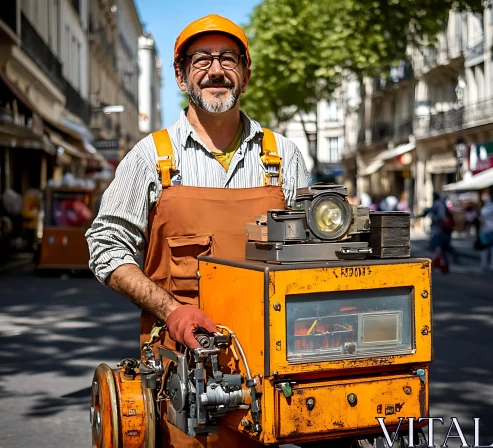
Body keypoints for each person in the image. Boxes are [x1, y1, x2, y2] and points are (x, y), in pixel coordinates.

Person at [85, 14, 311, 447]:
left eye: (228, 58)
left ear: (246, 72)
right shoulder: (150, 158)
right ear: (181, 75)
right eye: (201, 59)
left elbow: (312, 255)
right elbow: (105, 249)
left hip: (272, 376)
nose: (215, 70)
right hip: (181, 379)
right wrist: (171, 311)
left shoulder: (283, 156)